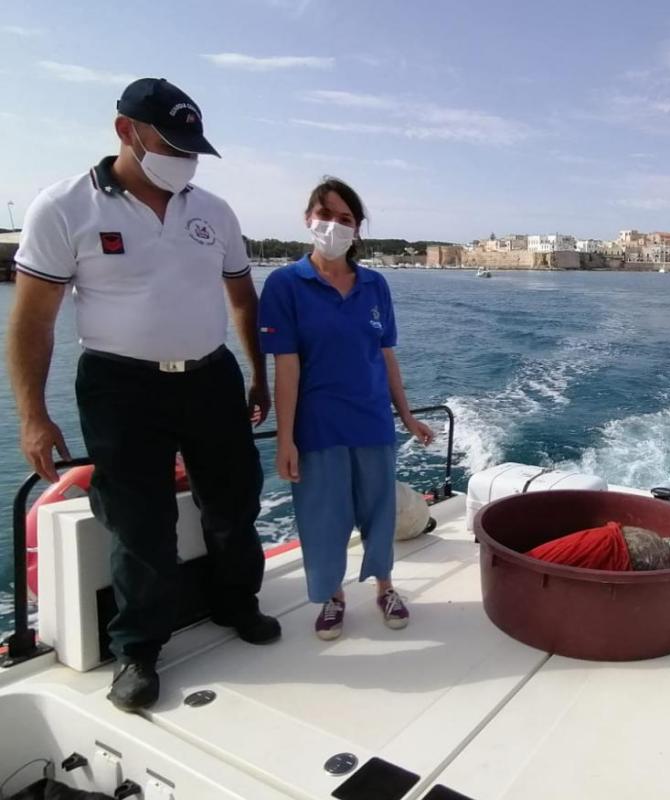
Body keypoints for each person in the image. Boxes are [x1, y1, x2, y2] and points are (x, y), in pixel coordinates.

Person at [7, 78, 282, 712]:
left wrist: (257, 374)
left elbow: (242, 295)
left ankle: (236, 602)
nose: (183, 157)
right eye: (171, 141)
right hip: (119, 386)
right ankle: (138, 649)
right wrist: (32, 415)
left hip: (210, 377)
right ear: (125, 131)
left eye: (192, 145)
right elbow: (31, 321)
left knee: (234, 502)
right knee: (139, 524)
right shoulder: (65, 207)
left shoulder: (213, 211)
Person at [259, 178, 434, 641]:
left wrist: (408, 416)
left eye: (345, 219)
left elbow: (386, 356)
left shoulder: (375, 285)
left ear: (357, 230)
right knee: (323, 516)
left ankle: (386, 588)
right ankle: (333, 596)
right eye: (326, 215)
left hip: (372, 421)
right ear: (307, 219)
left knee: (379, 511)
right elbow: (287, 368)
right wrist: (285, 439)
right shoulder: (284, 285)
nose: (332, 226)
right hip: (317, 427)